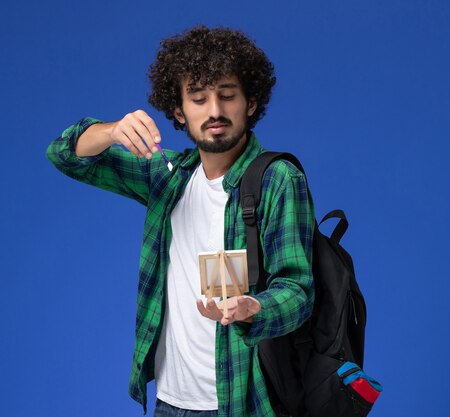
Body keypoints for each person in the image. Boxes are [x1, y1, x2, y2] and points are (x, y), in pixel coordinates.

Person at [46, 25, 315, 417]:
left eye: (227, 96)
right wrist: (112, 132)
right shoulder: (168, 177)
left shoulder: (278, 179)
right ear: (178, 110)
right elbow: (64, 155)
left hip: (242, 403)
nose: (215, 111)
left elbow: (299, 291)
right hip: (169, 403)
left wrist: (251, 307)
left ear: (251, 102)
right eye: (199, 98)